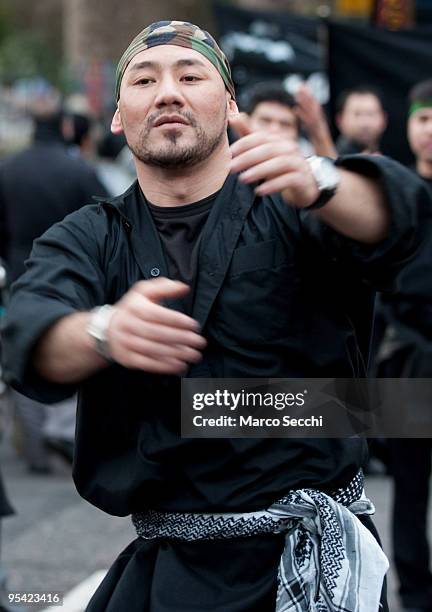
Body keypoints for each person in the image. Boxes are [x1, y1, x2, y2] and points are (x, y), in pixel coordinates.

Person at [0, 20, 428, 612]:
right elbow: (27, 330)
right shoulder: (91, 236)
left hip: (310, 559)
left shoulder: (291, 206)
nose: (168, 91)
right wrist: (102, 331)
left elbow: (398, 220)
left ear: (228, 102)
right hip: (175, 567)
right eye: (144, 80)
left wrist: (320, 179)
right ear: (119, 115)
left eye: (191, 74)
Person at [0, 96, 107, 473]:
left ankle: (33, 443)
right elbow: (107, 216)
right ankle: (63, 430)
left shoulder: (8, 169)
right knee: (71, 344)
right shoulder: (76, 171)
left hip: (19, 272)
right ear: (65, 128)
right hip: (73, 273)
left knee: (26, 345)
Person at [378, 79, 432, 612]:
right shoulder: (390, 195)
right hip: (409, 363)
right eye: (423, 118)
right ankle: (415, 593)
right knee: (409, 486)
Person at [242, 80, 336, 157]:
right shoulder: (228, 168)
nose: (274, 130)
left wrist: (318, 131)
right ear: (246, 122)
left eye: (285, 125)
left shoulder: (308, 174)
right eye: (265, 121)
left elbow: (335, 177)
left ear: (297, 135)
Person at [335, 85, 388, 155]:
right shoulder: (329, 160)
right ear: (340, 120)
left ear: (384, 119)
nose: (364, 123)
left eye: (370, 114)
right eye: (357, 114)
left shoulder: (389, 161)